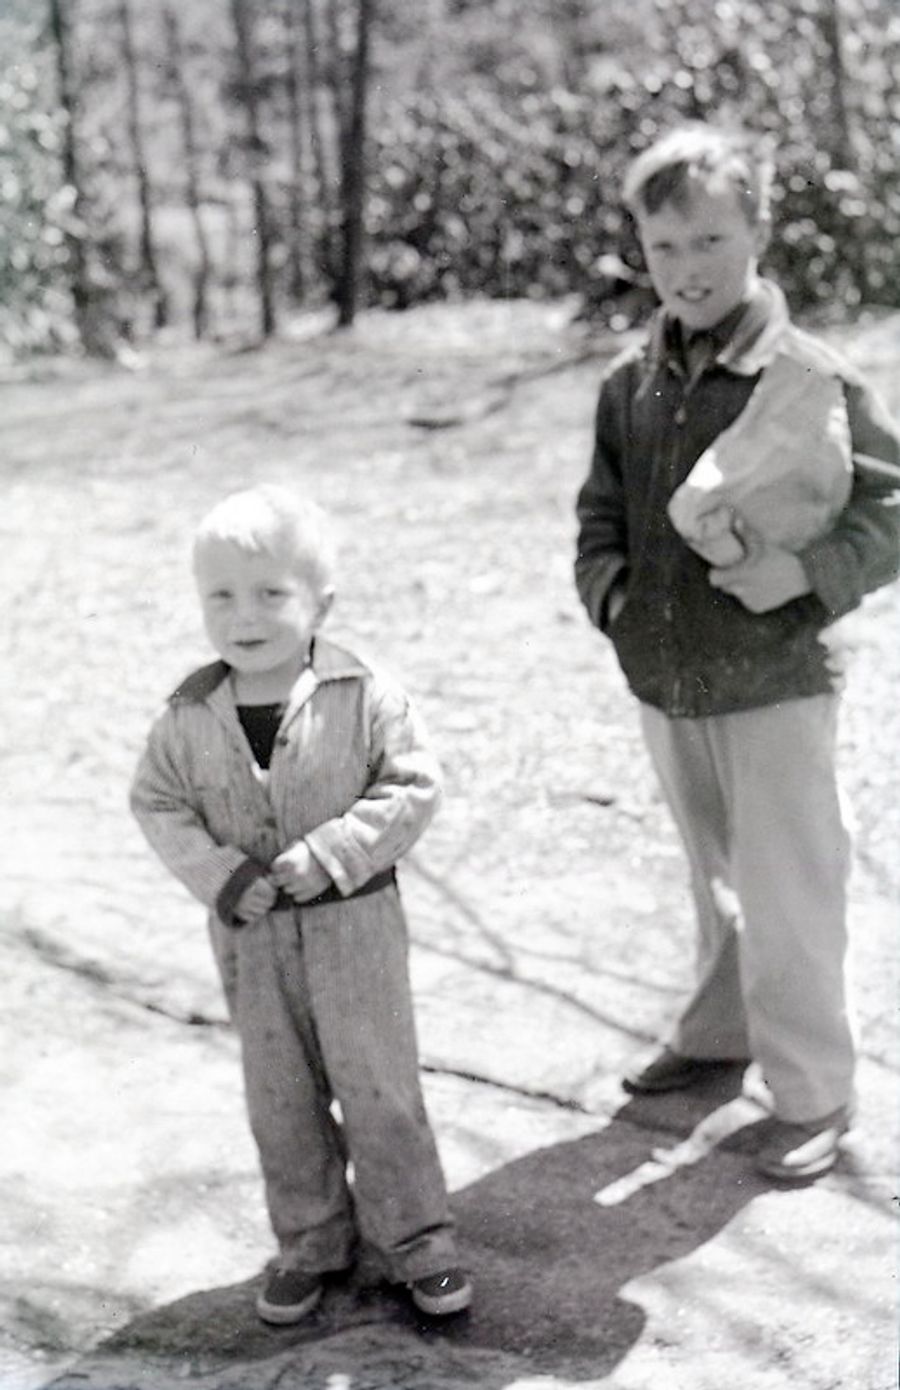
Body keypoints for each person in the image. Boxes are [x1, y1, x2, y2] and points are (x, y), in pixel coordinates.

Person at [574, 123, 900, 1182]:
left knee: (789, 884)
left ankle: (812, 1092)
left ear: (757, 230)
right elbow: (598, 518)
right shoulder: (631, 384)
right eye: (664, 248)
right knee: (710, 874)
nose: (688, 268)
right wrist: (617, 599)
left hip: (773, 683)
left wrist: (809, 577)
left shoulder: (807, 377)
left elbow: (891, 508)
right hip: (666, 680)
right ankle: (718, 1039)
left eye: (711, 239)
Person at [131, 484, 472, 1323]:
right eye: (221, 596)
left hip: (354, 930)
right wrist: (222, 874)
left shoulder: (366, 698)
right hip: (251, 941)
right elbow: (157, 802)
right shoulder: (186, 717)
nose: (244, 615)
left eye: (270, 593)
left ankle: (415, 1242)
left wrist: (331, 853)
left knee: (380, 1086)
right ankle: (311, 1243)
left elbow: (413, 786)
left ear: (322, 601)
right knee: (278, 1095)